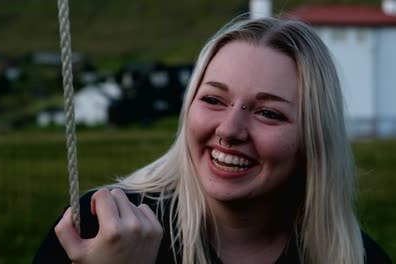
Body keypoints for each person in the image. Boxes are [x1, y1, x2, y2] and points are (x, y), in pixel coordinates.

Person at [34, 16, 392, 264]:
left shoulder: (356, 258)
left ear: (312, 140)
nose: (230, 130)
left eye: (268, 113)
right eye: (213, 100)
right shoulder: (100, 231)